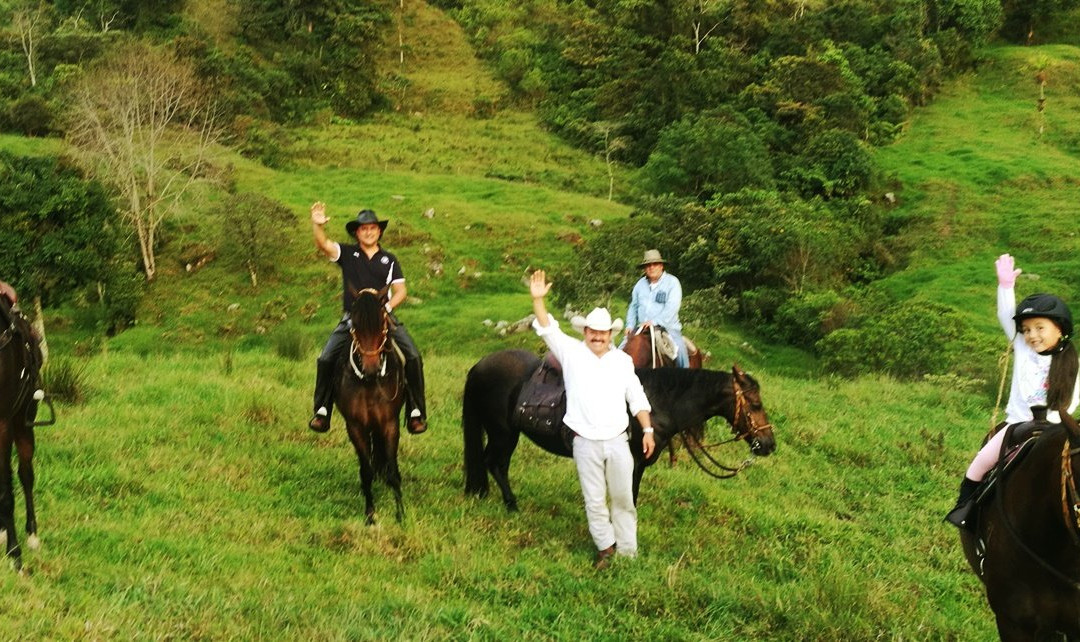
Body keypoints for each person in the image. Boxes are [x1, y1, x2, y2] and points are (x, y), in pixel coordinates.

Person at [529, 269, 656, 569]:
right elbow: (547, 328)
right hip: (584, 442)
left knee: (623, 498)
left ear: (610, 335)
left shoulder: (622, 361)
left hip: (617, 441)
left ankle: (628, 551)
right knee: (594, 500)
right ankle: (605, 549)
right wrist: (538, 301)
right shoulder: (571, 353)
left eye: (602, 333)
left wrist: (647, 429)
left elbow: (636, 398)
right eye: (592, 332)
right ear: (585, 332)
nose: (597, 337)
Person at [945, 253, 1080, 528]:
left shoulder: (1075, 363)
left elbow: (1074, 402)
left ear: (1060, 330)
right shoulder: (1022, 347)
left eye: (1040, 328)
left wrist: (1063, 427)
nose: (1032, 335)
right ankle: (965, 509)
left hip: (1057, 429)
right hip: (1017, 425)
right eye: (1027, 329)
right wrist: (1005, 287)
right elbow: (1006, 315)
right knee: (980, 463)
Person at [308, 202, 427, 435]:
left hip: (383, 319)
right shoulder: (348, 254)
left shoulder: (389, 259)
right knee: (325, 358)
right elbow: (322, 244)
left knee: (413, 356)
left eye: (373, 227)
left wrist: (387, 308)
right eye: (364, 229)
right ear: (357, 233)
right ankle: (322, 410)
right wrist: (317, 225)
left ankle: (415, 412)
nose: (369, 231)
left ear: (379, 231)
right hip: (352, 319)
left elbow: (401, 291)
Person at [624, 249, 688, 367]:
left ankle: (686, 379)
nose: (651, 267)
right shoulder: (639, 285)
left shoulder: (672, 283)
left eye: (655, 264)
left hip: (667, 329)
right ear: (644, 268)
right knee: (621, 351)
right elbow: (633, 306)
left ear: (661, 266)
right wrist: (629, 325)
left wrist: (654, 322)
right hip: (642, 329)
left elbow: (672, 308)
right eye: (648, 265)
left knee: (681, 354)